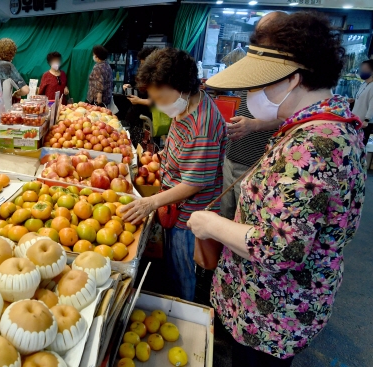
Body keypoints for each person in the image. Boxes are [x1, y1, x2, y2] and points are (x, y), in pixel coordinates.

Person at [189, 12, 366, 367]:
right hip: (269, 305)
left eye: (261, 84)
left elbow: (278, 248)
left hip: (273, 315)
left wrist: (210, 225)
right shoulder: (322, 126)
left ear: (294, 79)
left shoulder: (315, 145)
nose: (252, 93)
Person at [121, 48, 227, 302]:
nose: (157, 102)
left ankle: (184, 310)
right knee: (172, 265)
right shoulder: (186, 106)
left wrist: (151, 202)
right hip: (174, 207)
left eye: (160, 96)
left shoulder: (202, 127)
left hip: (190, 216)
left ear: (180, 87)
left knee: (183, 272)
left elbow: (194, 184)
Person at [221, 11, 286, 221]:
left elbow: (292, 117)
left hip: (256, 162)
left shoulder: (285, 74)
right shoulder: (256, 66)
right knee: (225, 215)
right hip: (232, 155)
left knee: (244, 221)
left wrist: (256, 124)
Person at [122, 46, 157, 146]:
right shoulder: (145, 75)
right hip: (136, 118)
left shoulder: (157, 79)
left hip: (146, 121)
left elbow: (156, 101)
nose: (141, 66)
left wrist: (139, 101)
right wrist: (130, 87)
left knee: (143, 148)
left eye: (143, 63)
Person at [352, 59, 373, 145]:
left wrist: (366, 120)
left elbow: (372, 104)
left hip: (364, 124)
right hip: (356, 121)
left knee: (360, 146)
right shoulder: (364, 83)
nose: (361, 71)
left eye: (365, 69)